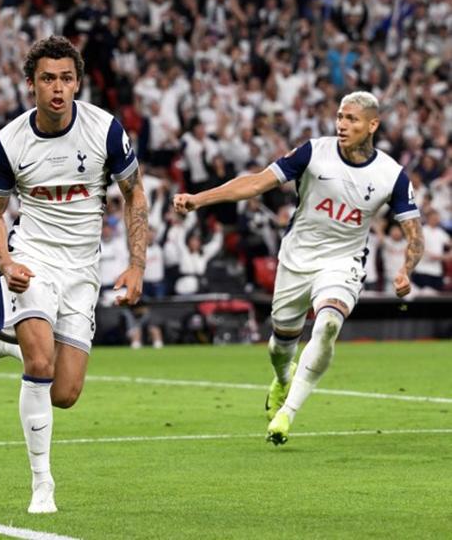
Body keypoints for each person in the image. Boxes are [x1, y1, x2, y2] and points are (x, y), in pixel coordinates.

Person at [172, 91, 424, 445]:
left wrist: (406, 270)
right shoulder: (312, 152)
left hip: (343, 262)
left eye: (351, 119)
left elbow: (414, 233)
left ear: (373, 125)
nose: (342, 124)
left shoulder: (391, 175)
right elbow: (257, 182)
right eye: (340, 116)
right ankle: (282, 377)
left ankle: (286, 413)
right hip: (296, 259)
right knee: (280, 346)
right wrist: (200, 199)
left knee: (328, 324)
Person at [0, 36, 147, 513]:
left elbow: (135, 194)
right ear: (30, 84)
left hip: (82, 270)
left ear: (78, 82)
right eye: (48, 79)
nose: (58, 88)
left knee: (66, 393)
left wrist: (136, 265)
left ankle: (10, 342)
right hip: (33, 258)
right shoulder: (9, 142)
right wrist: (5, 263)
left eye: (66, 78)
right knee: (40, 366)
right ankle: (42, 485)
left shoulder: (106, 130)